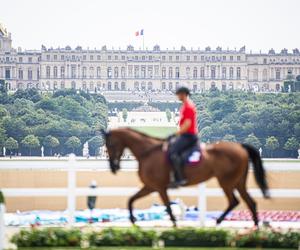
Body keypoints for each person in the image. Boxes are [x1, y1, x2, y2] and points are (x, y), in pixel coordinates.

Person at [169, 86, 198, 187]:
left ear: (184, 94)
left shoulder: (188, 106)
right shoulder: (185, 105)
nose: (177, 96)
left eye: (179, 94)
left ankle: (180, 178)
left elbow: (187, 124)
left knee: (173, 152)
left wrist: (175, 134)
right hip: (186, 135)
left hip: (188, 136)